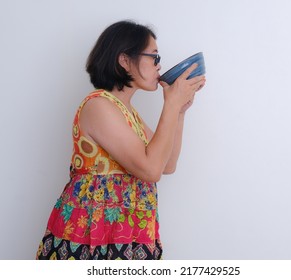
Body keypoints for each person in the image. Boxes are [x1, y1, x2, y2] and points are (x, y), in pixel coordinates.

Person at [36, 20, 206, 260]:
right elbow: (150, 170)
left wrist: (179, 112)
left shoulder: (127, 111)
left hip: (126, 231)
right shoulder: (99, 105)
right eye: (154, 57)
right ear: (124, 60)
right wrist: (171, 104)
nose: (159, 66)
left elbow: (167, 164)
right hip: (92, 234)